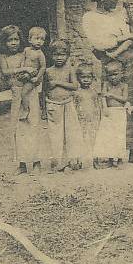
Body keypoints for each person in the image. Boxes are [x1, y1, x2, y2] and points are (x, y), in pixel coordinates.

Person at [81, 0, 133, 166]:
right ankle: (110, 154)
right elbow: (101, 44)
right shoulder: (90, 18)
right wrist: (126, 37)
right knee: (111, 107)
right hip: (111, 64)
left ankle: (132, 153)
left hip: (131, 61)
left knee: (132, 104)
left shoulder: (121, 15)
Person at [0, 25, 43, 174]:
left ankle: (36, 162)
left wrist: (30, 75)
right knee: (18, 128)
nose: (13, 43)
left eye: (16, 39)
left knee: (33, 125)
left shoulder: (27, 52)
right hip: (16, 95)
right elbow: (5, 72)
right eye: (9, 40)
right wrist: (23, 70)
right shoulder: (2, 55)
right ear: (4, 42)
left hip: (30, 93)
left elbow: (36, 68)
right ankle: (22, 164)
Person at [45, 39, 89, 171]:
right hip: (53, 105)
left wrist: (58, 82)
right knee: (55, 134)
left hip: (68, 104)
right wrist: (43, 109)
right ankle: (58, 162)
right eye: (55, 55)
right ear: (51, 55)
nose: (59, 58)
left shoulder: (70, 69)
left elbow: (75, 86)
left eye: (62, 55)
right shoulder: (48, 71)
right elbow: (45, 91)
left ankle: (73, 160)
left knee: (71, 133)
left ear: (67, 55)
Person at [93, 60, 131, 167]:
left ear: (122, 73)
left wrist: (113, 95)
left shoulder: (124, 86)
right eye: (110, 75)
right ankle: (110, 159)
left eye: (115, 74)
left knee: (119, 136)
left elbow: (125, 98)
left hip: (120, 113)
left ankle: (119, 159)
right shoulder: (106, 84)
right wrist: (104, 107)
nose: (113, 77)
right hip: (109, 113)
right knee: (109, 136)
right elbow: (103, 96)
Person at [73, 62, 101, 168]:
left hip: (93, 119)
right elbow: (74, 106)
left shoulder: (94, 92)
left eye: (88, 77)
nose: (86, 80)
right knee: (80, 139)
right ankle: (79, 161)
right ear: (78, 78)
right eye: (83, 77)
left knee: (94, 138)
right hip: (81, 120)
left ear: (92, 78)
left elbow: (97, 106)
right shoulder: (76, 92)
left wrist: (98, 118)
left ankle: (95, 159)